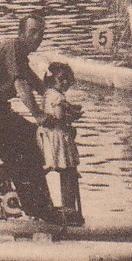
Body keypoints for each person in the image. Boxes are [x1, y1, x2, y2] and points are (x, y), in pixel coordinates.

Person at [0, 12, 57, 223]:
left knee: (29, 141)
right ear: (21, 33)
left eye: (41, 34)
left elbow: (37, 84)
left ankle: (7, 179)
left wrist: (58, 101)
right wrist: (38, 115)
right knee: (28, 144)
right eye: (33, 32)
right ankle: (37, 208)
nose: (37, 37)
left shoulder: (19, 55)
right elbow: (21, 85)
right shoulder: (13, 48)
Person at [36, 61, 84, 226]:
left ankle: (40, 204)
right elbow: (59, 117)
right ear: (53, 81)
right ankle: (69, 210)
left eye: (67, 80)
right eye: (61, 80)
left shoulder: (48, 93)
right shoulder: (58, 97)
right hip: (57, 137)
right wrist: (74, 117)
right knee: (68, 172)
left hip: (47, 136)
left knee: (47, 168)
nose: (65, 83)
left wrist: (70, 108)